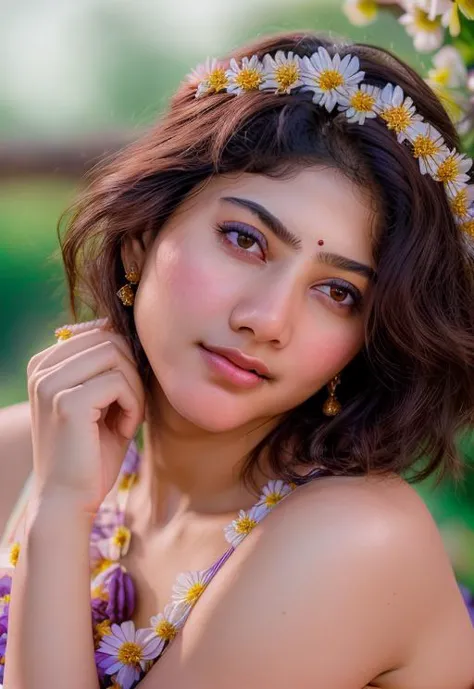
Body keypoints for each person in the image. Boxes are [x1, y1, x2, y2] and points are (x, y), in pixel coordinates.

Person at [0, 29, 474, 689]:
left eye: (338, 292)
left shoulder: (355, 540)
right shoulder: (25, 449)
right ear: (141, 236)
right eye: (244, 240)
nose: (268, 319)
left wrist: (58, 510)